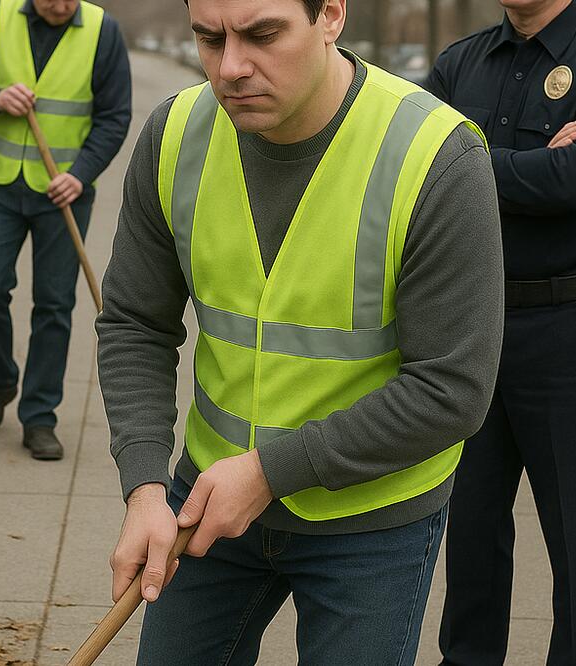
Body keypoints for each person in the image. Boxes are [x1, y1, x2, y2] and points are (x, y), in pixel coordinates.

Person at [96, 0, 505, 662]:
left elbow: (454, 387)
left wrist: (269, 471)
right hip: (207, 500)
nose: (230, 67)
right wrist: (144, 487)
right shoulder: (174, 136)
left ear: (331, 15)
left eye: (262, 34)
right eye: (209, 38)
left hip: (371, 523)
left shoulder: (436, 155)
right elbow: (135, 323)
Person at [423, 1, 576, 663]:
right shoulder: (461, 63)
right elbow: (413, 166)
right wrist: (530, 164)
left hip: (571, 330)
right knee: (470, 530)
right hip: (470, 327)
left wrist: (470, 160)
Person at [0, 0, 132, 460]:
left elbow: (115, 116)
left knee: (54, 304)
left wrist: (81, 174)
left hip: (64, 192)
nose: (60, 5)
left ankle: (40, 415)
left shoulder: (102, 31)